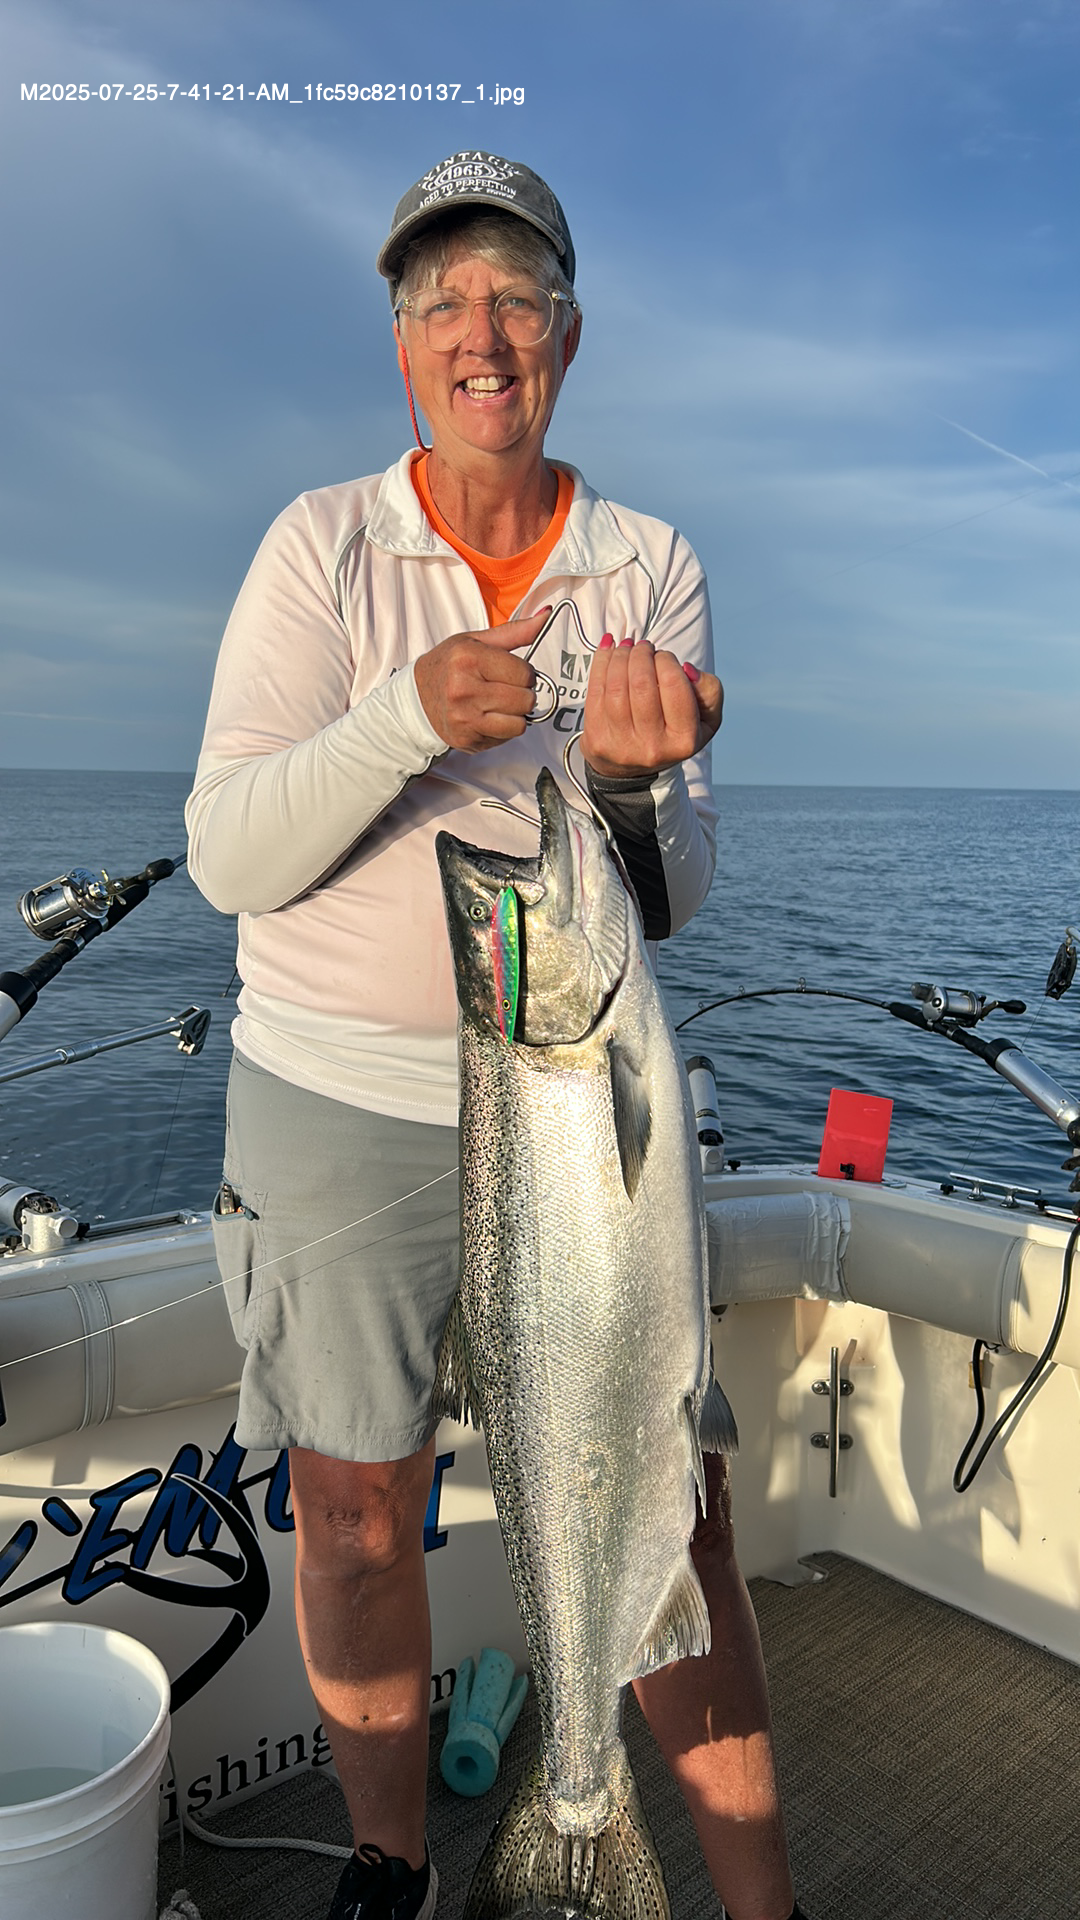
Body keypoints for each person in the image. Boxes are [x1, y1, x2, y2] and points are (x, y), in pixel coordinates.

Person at [186, 151, 807, 1920]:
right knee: (359, 1516)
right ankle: (392, 1869)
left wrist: (620, 790)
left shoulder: (649, 563)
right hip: (338, 1102)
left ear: (568, 337)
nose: (481, 331)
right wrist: (399, 719)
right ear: (402, 351)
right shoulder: (320, 550)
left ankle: (752, 1898)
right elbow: (228, 847)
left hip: (572, 1107)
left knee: (673, 1515)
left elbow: (670, 887)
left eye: (515, 297)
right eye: (441, 301)